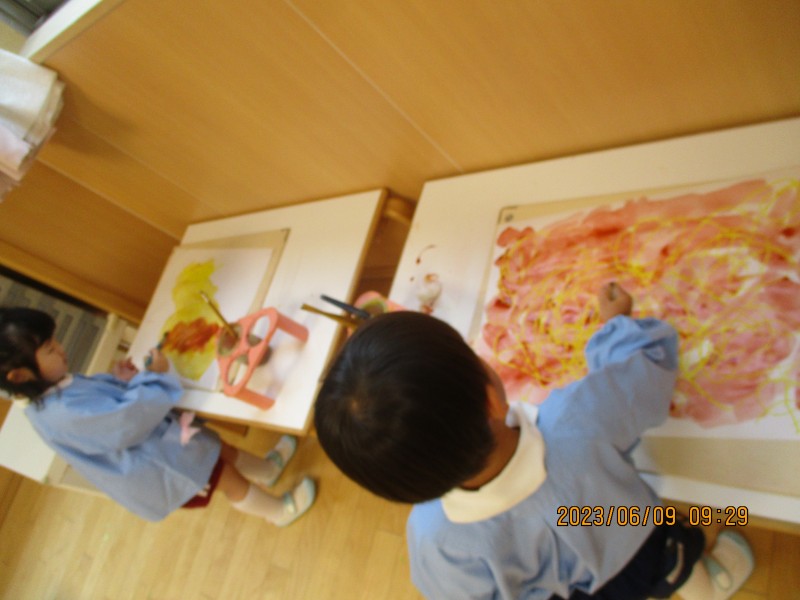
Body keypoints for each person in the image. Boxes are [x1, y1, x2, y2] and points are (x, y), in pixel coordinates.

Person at [314, 283, 754, 599]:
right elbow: (646, 367)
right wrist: (616, 325)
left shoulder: (432, 539)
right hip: (635, 537)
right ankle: (710, 586)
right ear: (490, 397)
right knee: (672, 563)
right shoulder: (578, 418)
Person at [0, 307, 316, 526]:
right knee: (228, 478)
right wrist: (154, 377)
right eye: (49, 349)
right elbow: (124, 422)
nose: (61, 349)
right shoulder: (58, 413)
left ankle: (268, 470)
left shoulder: (50, 388)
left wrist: (122, 381)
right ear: (19, 375)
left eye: (55, 340)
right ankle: (279, 511)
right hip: (161, 466)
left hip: (164, 442)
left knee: (220, 448)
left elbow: (103, 406)